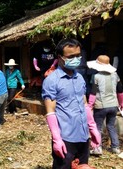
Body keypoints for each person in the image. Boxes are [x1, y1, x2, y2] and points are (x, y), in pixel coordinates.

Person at [42, 38, 100, 168]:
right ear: (60, 57)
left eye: (78, 55)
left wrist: (93, 127)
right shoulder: (52, 81)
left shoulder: (79, 77)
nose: (76, 59)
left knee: (82, 166)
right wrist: (56, 139)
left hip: (83, 135)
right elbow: (50, 112)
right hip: (66, 138)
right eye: (71, 56)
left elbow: (84, 104)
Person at [87, 55, 123, 155]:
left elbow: (93, 93)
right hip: (113, 105)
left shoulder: (96, 76)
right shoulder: (115, 75)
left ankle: (97, 148)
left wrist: (90, 106)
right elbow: (120, 91)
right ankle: (116, 147)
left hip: (101, 105)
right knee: (111, 126)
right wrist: (121, 103)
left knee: (97, 127)